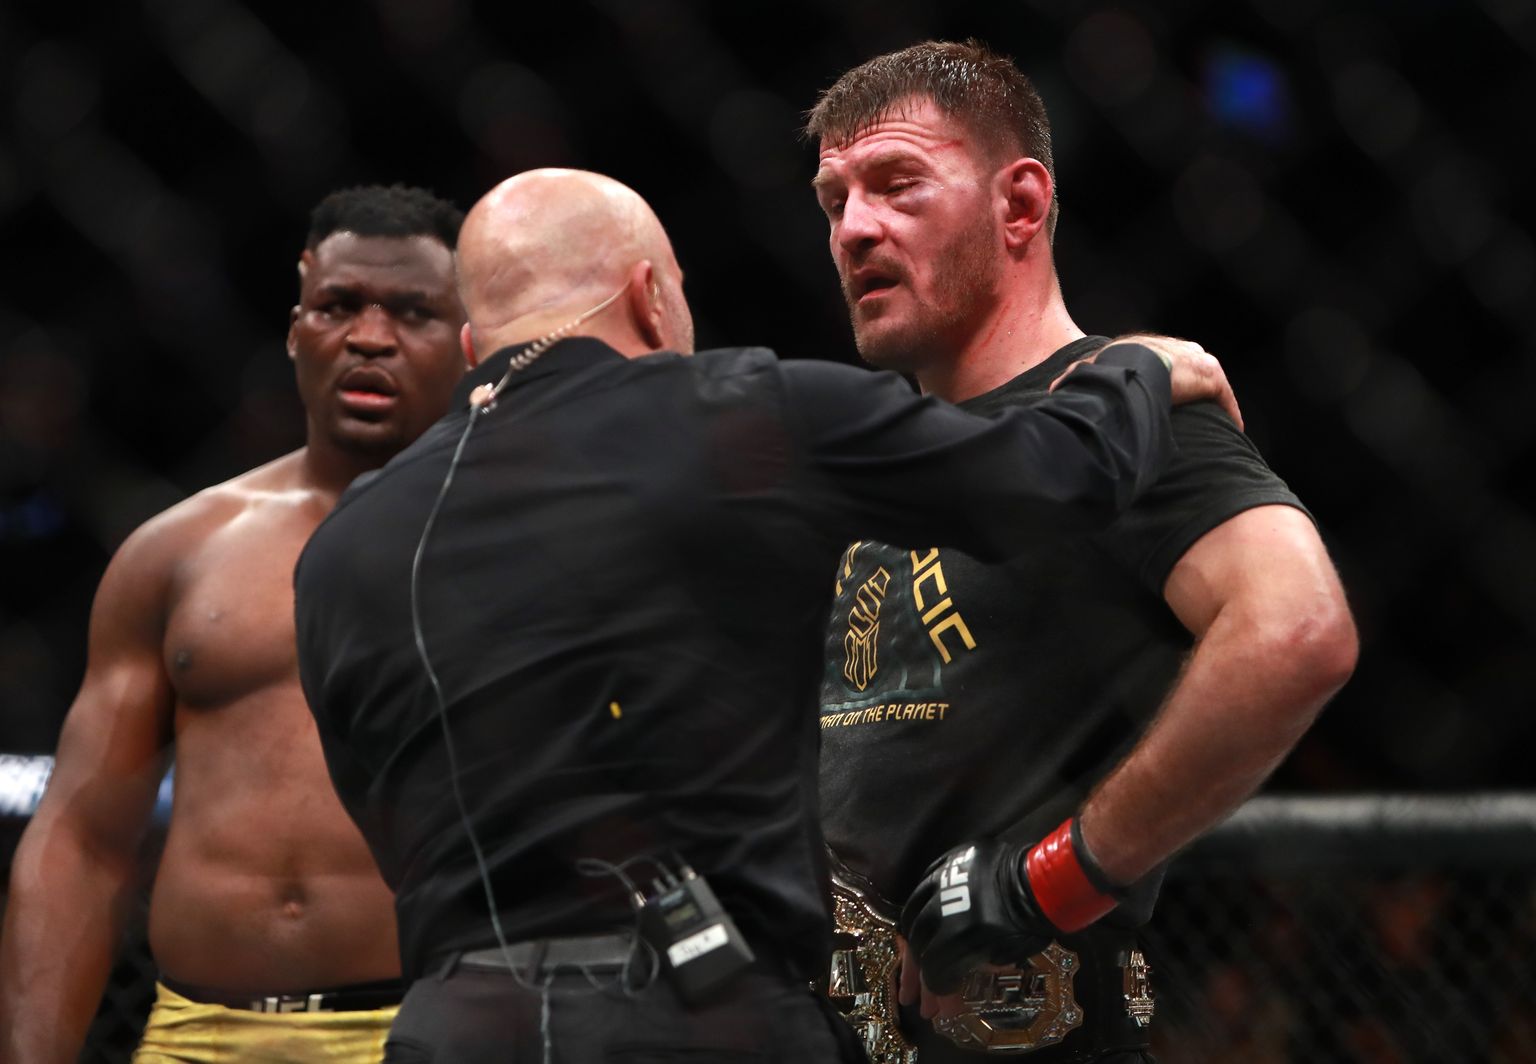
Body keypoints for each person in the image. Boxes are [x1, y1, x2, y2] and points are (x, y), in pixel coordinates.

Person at [290, 167, 1239, 1064]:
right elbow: (1052, 477)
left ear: (472, 346)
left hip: (459, 1020)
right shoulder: (745, 411)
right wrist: (1135, 371)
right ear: (649, 297)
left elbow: (384, 815)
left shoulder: (345, 546)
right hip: (705, 1012)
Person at [805, 39, 1359, 1064]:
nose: (854, 228)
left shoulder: (1129, 421)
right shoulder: (882, 462)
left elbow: (1297, 626)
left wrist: (1052, 880)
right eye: (834, 200)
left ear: (1019, 205)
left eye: (897, 184)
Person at [0, 184, 469, 1063]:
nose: (370, 337)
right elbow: (82, 840)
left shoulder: (521, 548)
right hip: (197, 1035)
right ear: (295, 330)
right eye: (338, 306)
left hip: (434, 1029)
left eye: (413, 312)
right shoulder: (179, 552)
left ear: (470, 339)